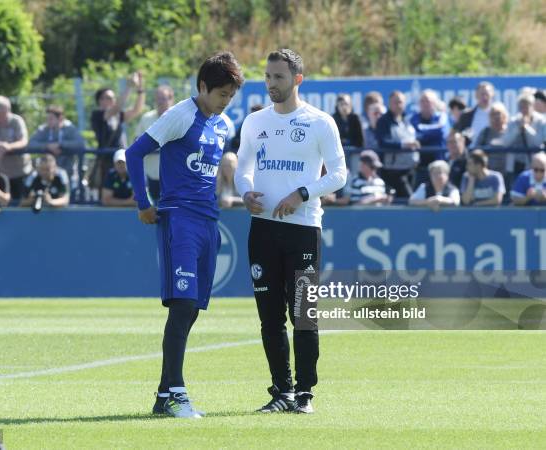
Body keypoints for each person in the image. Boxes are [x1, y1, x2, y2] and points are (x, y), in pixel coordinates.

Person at [125, 52, 244, 418]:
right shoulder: (180, 115)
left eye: (231, 95)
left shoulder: (223, 124)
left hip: (210, 221)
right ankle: (176, 392)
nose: (226, 101)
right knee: (182, 307)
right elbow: (134, 153)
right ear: (203, 87)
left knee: (191, 311)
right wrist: (144, 202)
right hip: (180, 220)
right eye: (221, 93)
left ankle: (164, 395)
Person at [235, 49, 347, 414]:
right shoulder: (255, 122)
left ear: (297, 79)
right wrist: (245, 191)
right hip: (262, 228)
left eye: (278, 77)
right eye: (267, 77)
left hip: (302, 228)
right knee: (269, 316)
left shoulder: (319, 122)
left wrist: (302, 193)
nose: (271, 84)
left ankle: (305, 393)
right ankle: (280, 392)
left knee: (303, 313)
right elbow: (243, 167)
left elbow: (339, 175)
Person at [90, 71, 145, 190]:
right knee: (105, 194)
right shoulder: (97, 115)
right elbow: (117, 108)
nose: (111, 101)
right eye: (107, 98)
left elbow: (137, 109)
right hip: (106, 162)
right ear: (99, 101)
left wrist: (140, 87)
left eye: (112, 98)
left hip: (121, 161)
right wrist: (129, 87)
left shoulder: (117, 116)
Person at [134, 85, 176, 203]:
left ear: (171, 99)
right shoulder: (146, 118)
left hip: (172, 176)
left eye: (163, 98)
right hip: (150, 175)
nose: (160, 102)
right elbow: (137, 140)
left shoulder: (178, 118)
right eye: (158, 98)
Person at [0, 95, 30, 201]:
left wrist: (8, 147)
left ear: (4, 109)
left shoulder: (17, 121)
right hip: (0, 173)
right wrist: (1, 146)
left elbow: (23, 141)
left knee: (20, 203)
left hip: (20, 172)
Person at [375, 90, 420, 198]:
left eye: (401, 102)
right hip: (393, 171)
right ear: (389, 104)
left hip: (410, 168)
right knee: (409, 199)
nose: (399, 105)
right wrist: (405, 144)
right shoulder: (384, 121)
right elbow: (383, 142)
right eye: (395, 102)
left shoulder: (406, 120)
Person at [27, 105, 85, 188]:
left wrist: (61, 145)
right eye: (47, 119)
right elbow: (31, 144)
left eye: (51, 119)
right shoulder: (43, 129)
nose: (48, 121)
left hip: (68, 174)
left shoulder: (70, 129)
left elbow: (80, 143)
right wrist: (48, 146)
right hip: (47, 175)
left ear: (60, 118)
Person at [324, 150, 390, 206]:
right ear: (362, 165)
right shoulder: (355, 181)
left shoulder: (380, 182)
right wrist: (376, 198)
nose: (374, 170)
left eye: (375, 167)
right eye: (372, 167)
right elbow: (355, 205)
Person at [502, 92, 546, 178]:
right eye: (521, 107)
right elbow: (506, 142)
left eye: (526, 106)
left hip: (535, 167)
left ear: (532, 106)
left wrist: (526, 128)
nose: (524, 110)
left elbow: (538, 142)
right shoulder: (513, 121)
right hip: (515, 165)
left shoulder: (541, 121)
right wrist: (517, 129)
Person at [454, 81, 495, 146]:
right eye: (482, 94)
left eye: (487, 94)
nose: (485, 97)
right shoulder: (466, 115)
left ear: (492, 95)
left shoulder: (498, 115)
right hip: (471, 153)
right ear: (476, 95)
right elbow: (459, 135)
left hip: (492, 153)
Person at [472, 102, 508, 174]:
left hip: (508, 171)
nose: (496, 117)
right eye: (493, 114)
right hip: (489, 171)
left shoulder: (510, 131)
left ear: (504, 115)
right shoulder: (485, 133)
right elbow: (477, 150)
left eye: (498, 113)